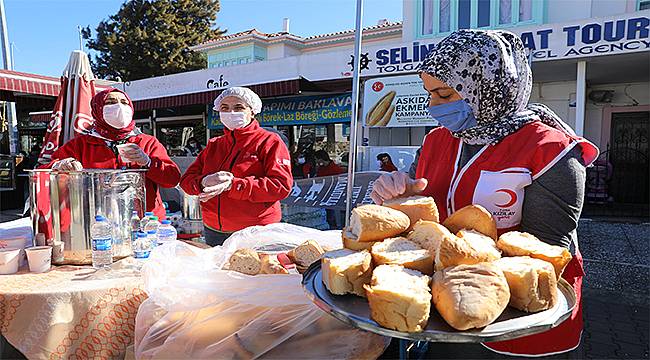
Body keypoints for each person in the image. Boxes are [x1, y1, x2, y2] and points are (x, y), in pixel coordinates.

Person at [370, 29, 598, 357]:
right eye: (429, 93)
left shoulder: (551, 150)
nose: (433, 105)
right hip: (450, 305)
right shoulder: (438, 140)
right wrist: (396, 195)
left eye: (445, 95)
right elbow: (419, 209)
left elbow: (547, 253)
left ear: (488, 87)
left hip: (522, 322)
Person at [179, 87, 293, 246]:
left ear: (252, 111)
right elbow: (186, 181)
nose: (231, 112)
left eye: (238, 107)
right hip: (214, 230)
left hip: (256, 230)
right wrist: (203, 182)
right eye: (224, 108)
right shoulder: (214, 145)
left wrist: (234, 185)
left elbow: (281, 186)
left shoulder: (269, 142)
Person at [45, 88, 181, 219]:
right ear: (97, 109)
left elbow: (173, 179)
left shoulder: (148, 142)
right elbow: (44, 171)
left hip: (146, 223)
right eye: (111, 102)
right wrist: (60, 165)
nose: (119, 107)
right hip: (97, 223)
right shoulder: (79, 145)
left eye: (124, 102)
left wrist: (149, 163)